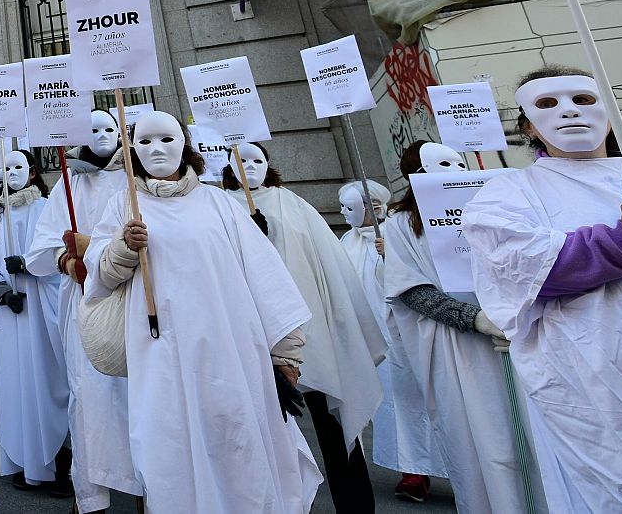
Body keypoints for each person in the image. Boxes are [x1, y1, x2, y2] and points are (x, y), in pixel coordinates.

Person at [76, 111, 319, 513]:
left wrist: (287, 355)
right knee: (171, 454)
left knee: (237, 451)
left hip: (229, 357)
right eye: (146, 140)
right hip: (161, 359)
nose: (157, 149)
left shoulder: (218, 203)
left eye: (167, 139)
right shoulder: (122, 206)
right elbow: (98, 278)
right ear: (133, 148)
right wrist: (122, 246)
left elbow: (267, 278)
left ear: (184, 146)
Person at [465, 66, 622, 512]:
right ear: (528, 126)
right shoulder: (508, 193)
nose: (570, 112)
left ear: (610, 114)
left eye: (584, 100)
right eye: (549, 104)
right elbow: (534, 268)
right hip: (590, 385)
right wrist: (620, 238)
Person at [224, 143, 385, 514]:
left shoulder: (294, 204)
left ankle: (355, 506)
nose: (249, 166)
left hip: (310, 334)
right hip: (252, 334)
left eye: (257, 159)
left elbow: (328, 265)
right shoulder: (218, 206)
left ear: (269, 164)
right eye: (241, 159)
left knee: (331, 424)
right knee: (268, 435)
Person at [383, 139, 537, 514]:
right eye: (441, 166)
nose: (454, 173)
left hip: (519, 337)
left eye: (457, 163)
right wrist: (474, 319)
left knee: (534, 438)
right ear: (415, 175)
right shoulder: (401, 225)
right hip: (458, 351)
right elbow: (409, 289)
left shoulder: (498, 211)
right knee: (482, 441)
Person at [27, 111, 140, 513]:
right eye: (92, 130)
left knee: (143, 394)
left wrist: (93, 248)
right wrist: (66, 261)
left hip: (135, 301)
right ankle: (91, 495)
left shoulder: (137, 179)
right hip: (85, 306)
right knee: (90, 396)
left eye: (110, 128)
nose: (102, 136)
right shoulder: (69, 184)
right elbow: (39, 251)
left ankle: (151, 487)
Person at [336, 180, 447, 503]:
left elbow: (414, 279)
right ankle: (412, 471)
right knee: (395, 407)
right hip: (375, 337)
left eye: (351, 207)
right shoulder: (348, 240)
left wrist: (391, 256)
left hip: (406, 331)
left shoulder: (397, 234)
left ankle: (456, 469)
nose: (344, 214)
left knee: (428, 399)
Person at [0, 149, 70, 494]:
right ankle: (23, 460)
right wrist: (2, 290)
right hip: (12, 315)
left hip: (41, 314)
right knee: (16, 387)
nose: (10, 173)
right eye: (3, 167)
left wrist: (30, 265)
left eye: (17, 167)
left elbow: (57, 253)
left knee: (49, 383)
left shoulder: (46, 209)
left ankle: (61, 463)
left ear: (32, 173)